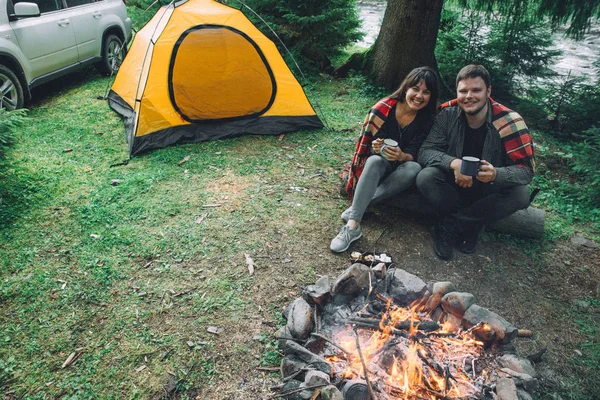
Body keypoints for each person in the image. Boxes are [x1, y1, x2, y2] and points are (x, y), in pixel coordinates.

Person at [416, 64, 535, 260]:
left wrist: (496, 173)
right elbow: (426, 151)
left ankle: (453, 225)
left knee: (520, 194)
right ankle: (471, 224)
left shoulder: (510, 122)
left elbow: (526, 172)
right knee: (426, 176)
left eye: (476, 90)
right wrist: (454, 163)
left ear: (488, 91)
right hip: (453, 185)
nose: (469, 96)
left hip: (488, 189)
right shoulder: (447, 114)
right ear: (457, 92)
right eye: (463, 91)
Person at [331, 67, 439, 252]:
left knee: (413, 168)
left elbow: (417, 151)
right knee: (374, 161)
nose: (419, 96)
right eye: (415, 88)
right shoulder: (384, 109)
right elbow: (369, 143)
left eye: (426, 92)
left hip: (402, 171)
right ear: (406, 88)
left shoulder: (427, 119)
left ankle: (360, 206)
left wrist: (402, 156)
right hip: (379, 166)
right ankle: (352, 226)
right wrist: (377, 146)